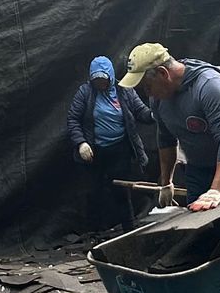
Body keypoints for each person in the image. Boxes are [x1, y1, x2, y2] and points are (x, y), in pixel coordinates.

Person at [118, 43, 220, 212]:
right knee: (202, 231)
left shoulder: (208, 86)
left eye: (147, 87)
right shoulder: (158, 99)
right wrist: (167, 182)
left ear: (163, 73)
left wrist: (217, 190)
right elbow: (165, 137)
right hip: (199, 169)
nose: (147, 94)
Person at [66, 55, 155, 232]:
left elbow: (140, 111)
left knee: (121, 191)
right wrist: (81, 143)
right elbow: (73, 119)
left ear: (111, 76)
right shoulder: (85, 92)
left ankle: (129, 230)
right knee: (94, 192)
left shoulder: (124, 90)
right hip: (94, 151)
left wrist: (155, 115)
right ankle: (93, 233)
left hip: (119, 150)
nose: (100, 83)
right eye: (96, 79)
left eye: (103, 79)